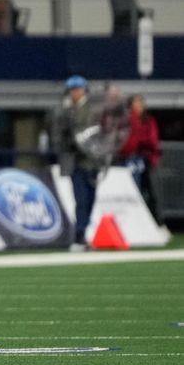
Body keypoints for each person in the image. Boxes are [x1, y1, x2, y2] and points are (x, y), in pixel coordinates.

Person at [46, 75, 120, 249]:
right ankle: (79, 236)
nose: (75, 93)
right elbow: (56, 134)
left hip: (92, 160)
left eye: (78, 89)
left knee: (91, 197)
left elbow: (104, 132)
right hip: (75, 160)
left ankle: (83, 232)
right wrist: (66, 145)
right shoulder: (63, 110)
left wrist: (102, 152)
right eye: (72, 90)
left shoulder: (95, 109)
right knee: (80, 198)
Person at [119, 95, 162, 226]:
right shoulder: (126, 121)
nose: (138, 106)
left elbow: (151, 140)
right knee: (131, 191)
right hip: (128, 160)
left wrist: (138, 143)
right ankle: (131, 222)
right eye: (135, 103)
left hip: (147, 160)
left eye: (140, 103)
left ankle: (156, 222)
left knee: (150, 192)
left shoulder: (148, 121)